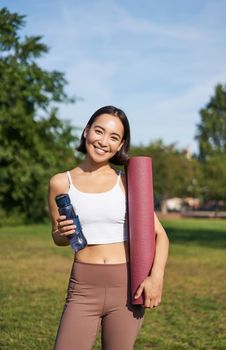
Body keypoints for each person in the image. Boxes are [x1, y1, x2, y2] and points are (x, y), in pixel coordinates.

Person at [48, 105, 169, 350]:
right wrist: (61, 234)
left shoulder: (127, 182)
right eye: (99, 131)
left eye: (114, 137)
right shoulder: (60, 182)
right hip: (83, 287)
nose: (104, 141)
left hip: (127, 288)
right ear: (86, 131)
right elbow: (58, 237)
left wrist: (156, 278)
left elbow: (161, 236)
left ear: (121, 144)